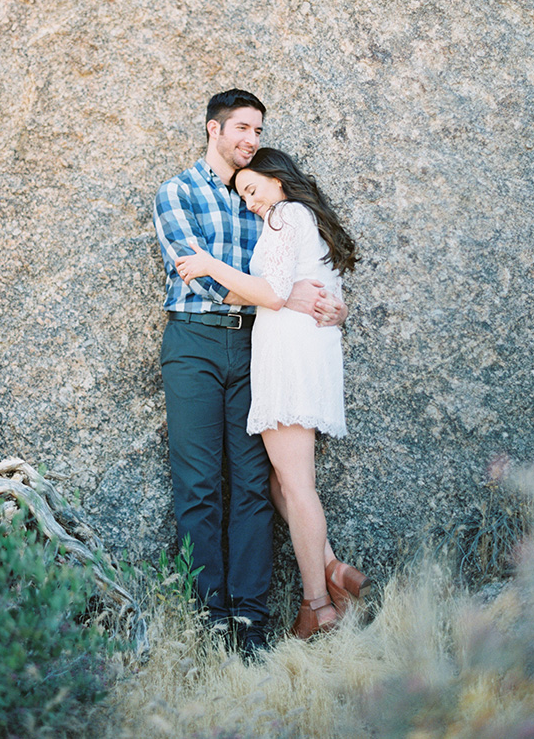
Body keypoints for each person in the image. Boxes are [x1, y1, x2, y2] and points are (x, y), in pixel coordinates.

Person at [153, 90, 347, 657]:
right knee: (198, 483)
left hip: (256, 348)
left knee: (254, 486)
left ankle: (250, 619)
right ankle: (208, 615)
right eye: (241, 128)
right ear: (213, 129)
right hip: (195, 342)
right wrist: (289, 299)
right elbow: (198, 273)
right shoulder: (177, 193)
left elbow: (306, 267)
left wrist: (331, 303)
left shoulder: (264, 198)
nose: (251, 140)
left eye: (258, 131)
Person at [175, 146, 371, 640]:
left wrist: (208, 264)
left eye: (252, 189)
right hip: (311, 352)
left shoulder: (285, 215)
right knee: (280, 482)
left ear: (276, 178)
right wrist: (334, 310)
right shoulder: (309, 219)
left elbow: (273, 293)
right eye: (241, 195)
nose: (250, 202)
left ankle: (318, 605)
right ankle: (331, 568)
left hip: (288, 355)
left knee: (295, 483)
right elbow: (319, 293)